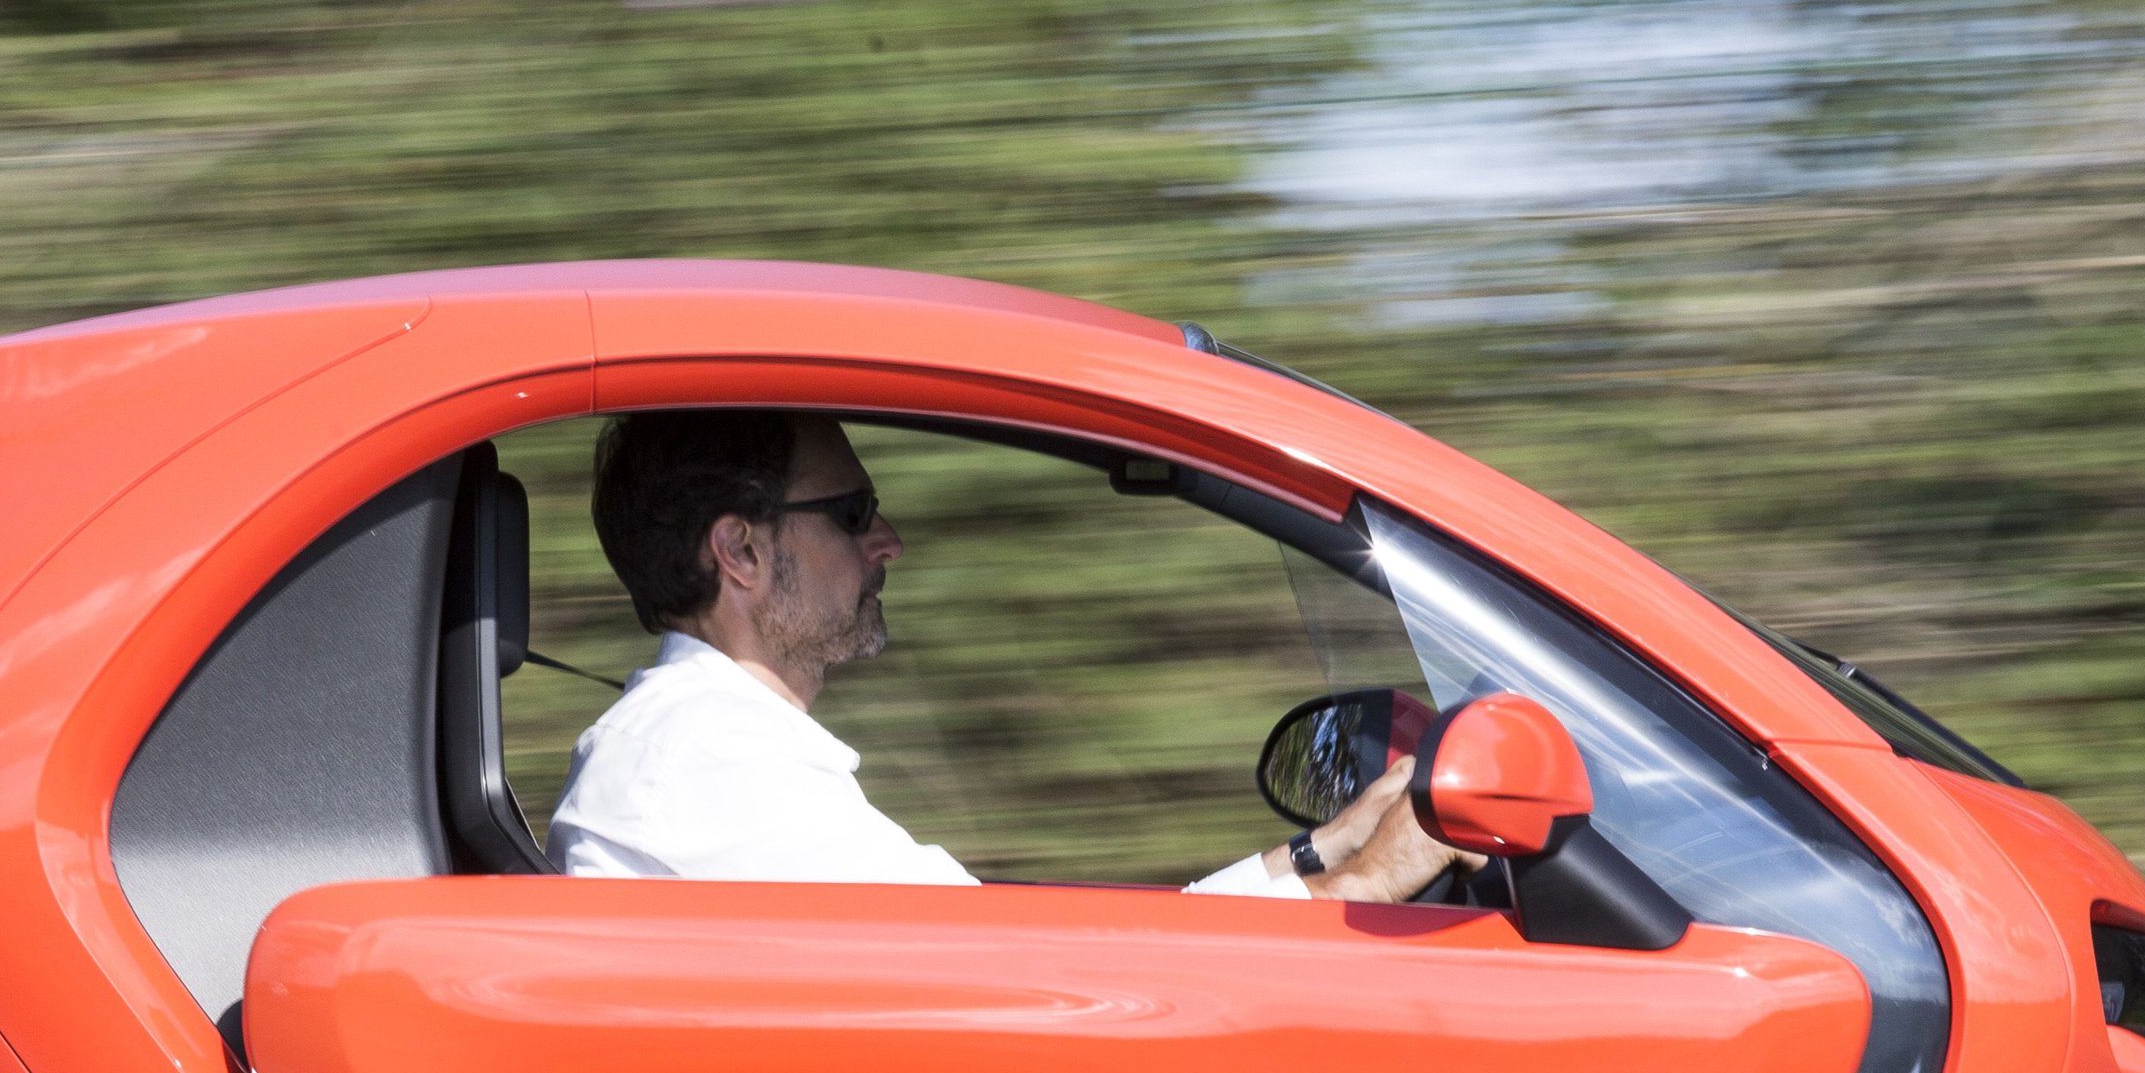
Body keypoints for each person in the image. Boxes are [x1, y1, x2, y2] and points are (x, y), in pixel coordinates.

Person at [546, 408, 1461, 900]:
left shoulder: (704, 752)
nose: (890, 542)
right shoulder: (701, 762)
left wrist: (1316, 855)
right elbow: (1029, 992)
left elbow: (1023, 963)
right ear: (740, 553)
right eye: (854, 514)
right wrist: (1369, 885)